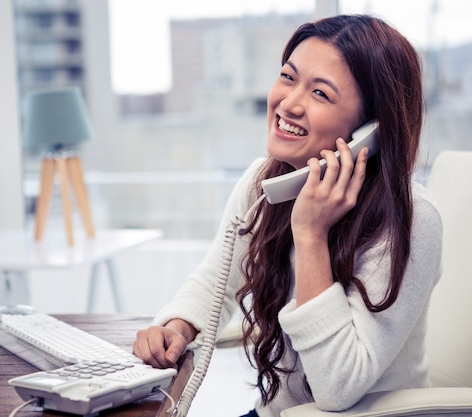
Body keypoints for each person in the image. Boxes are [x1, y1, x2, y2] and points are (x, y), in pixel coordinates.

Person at [133, 14, 442, 417]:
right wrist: (176, 327)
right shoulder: (264, 184)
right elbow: (217, 283)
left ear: (371, 127)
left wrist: (311, 234)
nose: (289, 103)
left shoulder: (412, 220)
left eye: (320, 94)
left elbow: (337, 387)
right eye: (288, 77)